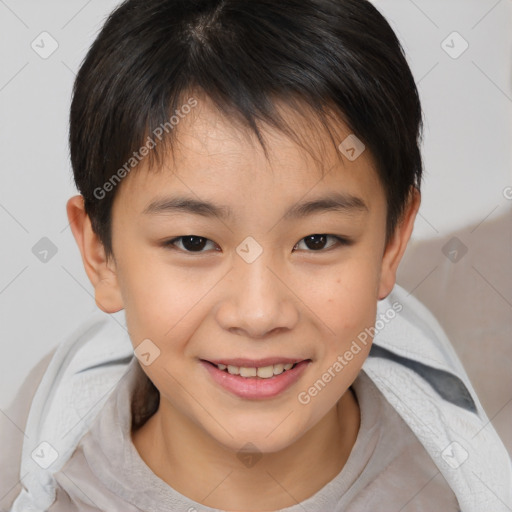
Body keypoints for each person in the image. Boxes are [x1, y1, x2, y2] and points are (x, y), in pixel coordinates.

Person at [1, 0, 511, 510]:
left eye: (317, 241)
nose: (259, 313)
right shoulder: (31, 463)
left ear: (391, 242)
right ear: (100, 254)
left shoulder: (465, 473)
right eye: (194, 242)